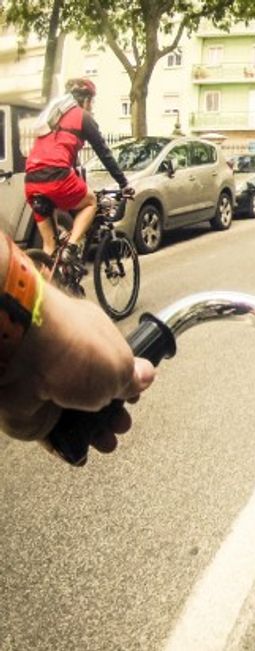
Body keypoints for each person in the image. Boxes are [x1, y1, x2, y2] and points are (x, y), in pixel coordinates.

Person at [0, 234, 155, 453]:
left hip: (37, 201)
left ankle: (53, 253)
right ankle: (70, 248)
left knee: (51, 230)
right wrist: (48, 332)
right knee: (91, 201)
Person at [24, 78, 131, 268]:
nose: (92, 107)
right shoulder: (82, 117)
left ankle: (44, 291)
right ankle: (72, 248)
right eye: (92, 103)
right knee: (91, 202)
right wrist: (124, 184)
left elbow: (69, 160)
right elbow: (104, 154)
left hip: (31, 180)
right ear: (87, 100)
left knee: (49, 245)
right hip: (56, 176)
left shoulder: (51, 119)